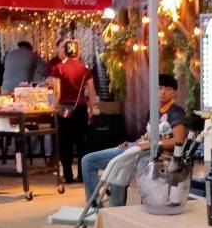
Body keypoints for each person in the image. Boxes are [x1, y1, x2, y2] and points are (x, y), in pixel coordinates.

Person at [80, 73, 187, 206]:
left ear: (175, 93)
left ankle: (99, 207)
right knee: (94, 162)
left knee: (91, 161)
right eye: (159, 88)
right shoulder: (154, 111)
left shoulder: (175, 112)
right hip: (138, 149)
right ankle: (110, 207)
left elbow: (179, 141)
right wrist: (134, 142)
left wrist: (152, 144)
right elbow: (148, 136)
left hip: (153, 155)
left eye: (168, 89)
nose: (163, 92)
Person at [47, 39, 96, 183]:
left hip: (63, 109)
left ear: (65, 52)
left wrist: (53, 106)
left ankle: (68, 176)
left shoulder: (58, 68)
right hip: (80, 108)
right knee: (81, 143)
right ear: (78, 52)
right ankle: (82, 175)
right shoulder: (85, 69)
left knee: (65, 143)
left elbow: (57, 92)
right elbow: (91, 92)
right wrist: (91, 110)